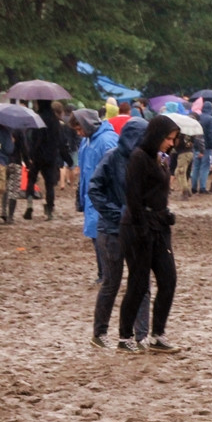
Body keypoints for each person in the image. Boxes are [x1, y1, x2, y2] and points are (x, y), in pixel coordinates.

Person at [117, 115, 182, 354]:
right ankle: (125, 337)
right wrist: (142, 227)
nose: (171, 143)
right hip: (137, 228)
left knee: (168, 279)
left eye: (173, 139)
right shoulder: (138, 158)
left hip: (159, 226)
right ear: (156, 135)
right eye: (168, 138)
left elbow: (158, 194)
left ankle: (158, 335)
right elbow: (133, 197)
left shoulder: (161, 159)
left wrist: (165, 215)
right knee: (138, 282)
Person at [88, 119, 151, 349]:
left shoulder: (146, 160)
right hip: (111, 232)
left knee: (141, 283)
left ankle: (141, 335)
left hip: (137, 232)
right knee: (112, 282)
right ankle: (99, 333)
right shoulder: (112, 157)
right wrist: (116, 214)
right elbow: (94, 188)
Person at [72, 109, 119, 282]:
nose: (79, 133)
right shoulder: (86, 141)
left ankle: (108, 274)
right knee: (95, 236)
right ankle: (103, 273)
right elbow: (84, 171)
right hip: (91, 197)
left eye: (79, 129)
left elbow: (115, 169)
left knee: (104, 237)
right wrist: (81, 195)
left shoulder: (107, 140)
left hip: (104, 197)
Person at [24, 100, 72, 221]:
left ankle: (29, 206)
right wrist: (68, 159)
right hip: (51, 157)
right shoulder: (55, 121)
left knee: (31, 179)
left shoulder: (37, 119)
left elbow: (32, 139)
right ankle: (49, 210)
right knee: (49, 185)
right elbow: (61, 142)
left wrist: (30, 155)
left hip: (37, 156)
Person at [192, 100, 212, 195]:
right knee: (205, 167)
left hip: (196, 145)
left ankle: (193, 187)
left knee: (196, 167)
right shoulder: (211, 119)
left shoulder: (198, 117)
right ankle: (202, 187)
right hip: (207, 146)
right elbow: (211, 134)